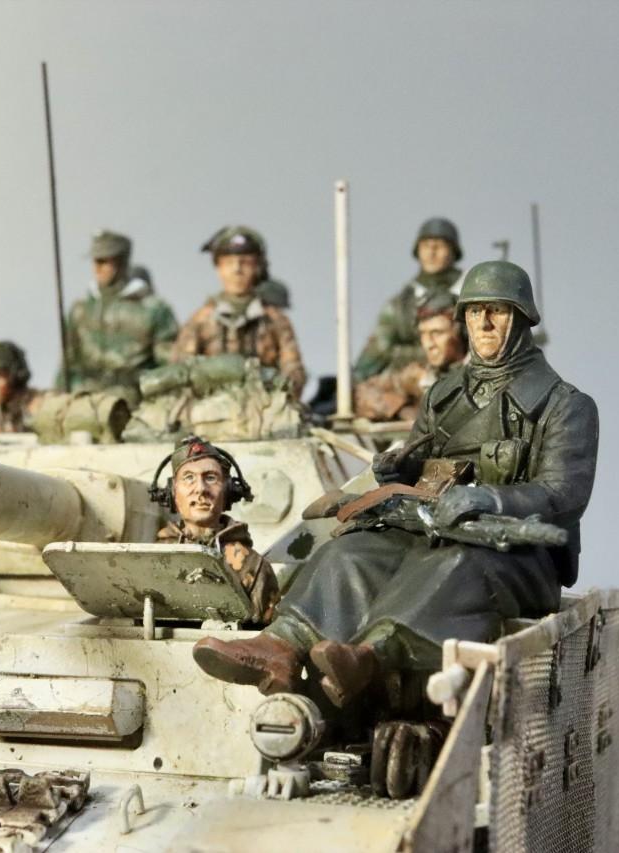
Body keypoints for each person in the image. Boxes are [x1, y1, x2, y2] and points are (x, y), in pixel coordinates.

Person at [192, 261, 598, 711]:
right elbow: (422, 468)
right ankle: (281, 647)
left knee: (456, 564)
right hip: (429, 527)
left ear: (522, 319)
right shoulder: (443, 395)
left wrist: (486, 497)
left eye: (497, 311)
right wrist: (396, 473)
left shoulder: (564, 405)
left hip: (517, 552)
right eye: (474, 311)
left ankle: (369, 657)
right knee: (350, 552)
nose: (483, 323)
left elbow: (564, 495)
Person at [153, 436, 279, 624]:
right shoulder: (153, 557)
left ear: (228, 492)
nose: (200, 489)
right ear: (173, 493)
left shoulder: (253, 566)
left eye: (211, 478)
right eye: (189, 478)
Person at [173, 226, 306, 397]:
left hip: (263, 402)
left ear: (257, 266)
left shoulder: (274, 319)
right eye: (228, 263)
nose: (237, 270)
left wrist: (281, 387)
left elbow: (293, 368)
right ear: (218, 267)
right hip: (212, 404)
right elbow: (181, 370)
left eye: (246, 263)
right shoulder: (201, 319)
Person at [59, 230, 179, 404]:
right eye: (95, 261)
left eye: (104, 261)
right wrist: (60, 397)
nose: (97, 268)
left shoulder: (153, 309)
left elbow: (169, 364)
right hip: (84, 401)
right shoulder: (81, 310)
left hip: (133, 402)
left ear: (121, 262)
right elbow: (68, 361)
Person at [353, 217, 465, 380]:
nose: (431, 252)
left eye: (439, 246)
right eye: (426, 246)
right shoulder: (402, 304)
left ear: (453, 251)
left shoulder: (470, 290)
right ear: (418, 250)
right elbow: (378, 352)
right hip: (416, 378)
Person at [353, 291, 468, 421]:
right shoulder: (418, 373)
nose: (428, 344)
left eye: (437, 333)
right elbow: (362, 393)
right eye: (423, 334)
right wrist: (401, 409)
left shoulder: (479, 372)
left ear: (460, 332)